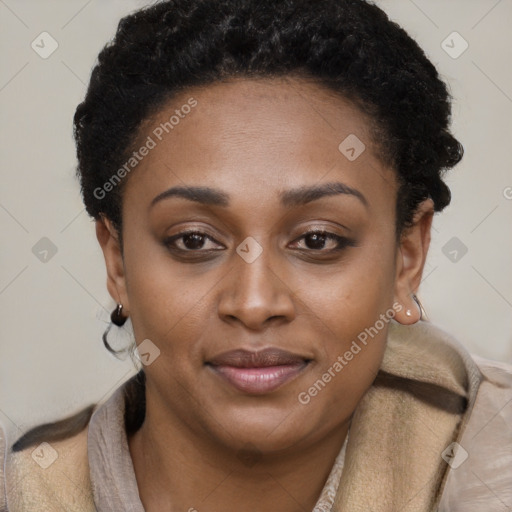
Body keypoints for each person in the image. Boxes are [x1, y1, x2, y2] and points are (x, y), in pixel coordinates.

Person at [1, 0, 511, 510]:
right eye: (194, 240)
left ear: (407, 257)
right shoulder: (25, 492)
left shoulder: (493, 455)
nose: (254, 303)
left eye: (317, 240)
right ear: (118, 263)